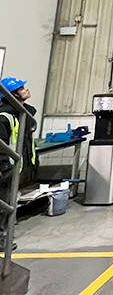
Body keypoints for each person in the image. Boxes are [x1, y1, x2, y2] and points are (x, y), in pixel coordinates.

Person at [0, 77, 38, 249]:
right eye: (21, 88)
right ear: (12, 95)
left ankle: (4, 236)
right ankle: (2, 240)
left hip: (15, 167)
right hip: (6, 168)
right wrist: (5, 167)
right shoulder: (4, 117)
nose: (26, 90)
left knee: (9, 202)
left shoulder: (22, 114)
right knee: (4, 204)